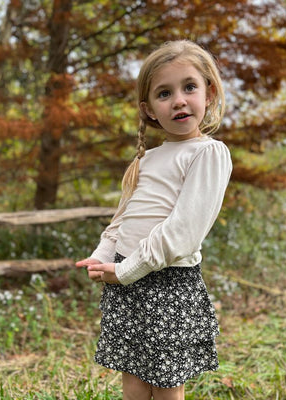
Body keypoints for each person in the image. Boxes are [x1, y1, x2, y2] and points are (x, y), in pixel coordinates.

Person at [76, 40, 232, 400]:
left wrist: (127, 269)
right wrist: (103, 256)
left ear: (208, 93)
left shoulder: (208, 153)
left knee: (164, 384)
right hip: (126, 280)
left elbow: (184, 232)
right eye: (165, 93)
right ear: (149, 110)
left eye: (189, 87)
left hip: (168, 284)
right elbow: (122, 219)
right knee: (132, 375)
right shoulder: (146, 160)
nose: (178, 100)